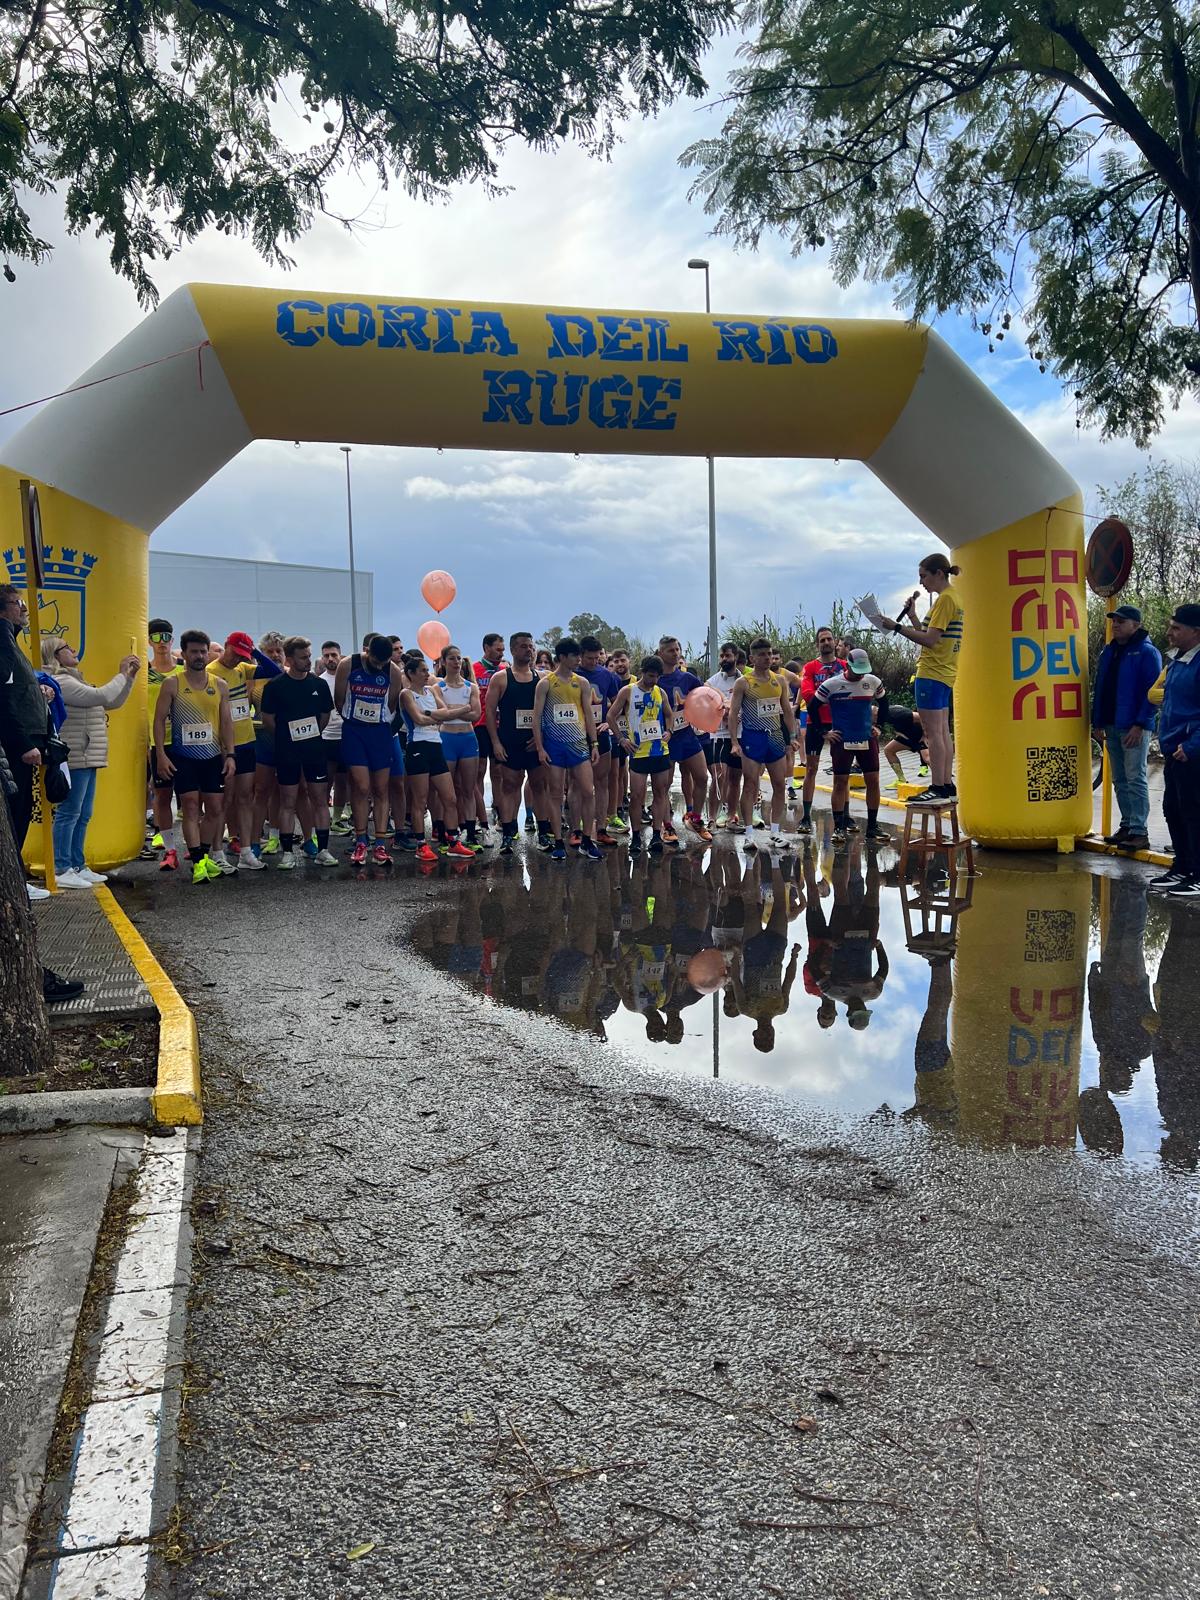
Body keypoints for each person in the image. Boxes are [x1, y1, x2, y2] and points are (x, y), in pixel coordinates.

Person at [42, 636, 140, 888]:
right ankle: (62, 867)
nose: (73, 650)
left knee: (83, 814)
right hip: (76, 754)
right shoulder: (62, 681)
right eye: (67, 647)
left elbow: (111, 701)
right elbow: (101, 695)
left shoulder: (74, 679)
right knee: (69, 812)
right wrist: (121, 673)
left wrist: (128, 678)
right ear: (55, 655)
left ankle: (77, 864)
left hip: (87, 754)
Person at [878, 554, 964, 805]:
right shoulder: (952, 597)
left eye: (924, 576)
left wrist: (897, 627)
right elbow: (929, 634)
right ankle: (946, 784)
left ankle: (937, 786)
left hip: (932, 672)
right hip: (944, 672)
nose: (921, 582)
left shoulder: (945, 600)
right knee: (942, 732)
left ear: (939, 573)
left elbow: (930, 640)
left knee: (933, 733)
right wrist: (913, 616)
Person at [153, 629, 237, 883]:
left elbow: (226, 722)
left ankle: (203, 855)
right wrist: (161, 755)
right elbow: (159, 720)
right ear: (185, 653)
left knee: (215, 808)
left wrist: (230, 755)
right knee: (190, 806)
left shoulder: (219, 685)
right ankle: (199, 863)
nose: (199, 656)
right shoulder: (173, 684)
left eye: (202, 651)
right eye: (194, 652)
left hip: (212, 756)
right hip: (183, 755)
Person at [259, 636, 338, 869]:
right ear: (290, 659)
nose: (308, 661)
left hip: (314, 749)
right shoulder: (275, 686)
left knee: (319, 798)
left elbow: (325, 715)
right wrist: (287, 737)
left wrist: (311, 735)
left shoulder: (319, 685)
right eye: (303, 657)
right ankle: (287, 853)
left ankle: (323, 850)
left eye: (309, 656)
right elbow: (268, 720)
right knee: (288, 800)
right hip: (287, 751)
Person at [1090, 603, 1162, 852]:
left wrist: (1140, 725)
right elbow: (1101, 688)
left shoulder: (1147, 653)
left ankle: (1140, 831)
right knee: (1120, 779)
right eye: (1114, 621)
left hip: (1133, 727)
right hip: (1111, 724)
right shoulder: (1109, 651)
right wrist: (1098, 722)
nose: (1116, 625)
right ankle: (1127, 825)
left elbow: (1152, 694)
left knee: (1135, 777)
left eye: (1121, 621)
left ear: (1136, 625)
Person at [334, 633, 405, 867]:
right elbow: (338, 700)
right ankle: (361, 840)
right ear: (367, 652)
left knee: (381, 788)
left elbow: (392, 704)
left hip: (380, 731)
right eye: (375, 661)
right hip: (354, 730)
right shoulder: (349, 664)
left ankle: (381, 843)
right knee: (362, 786)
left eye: (383, 663)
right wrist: (355, 717)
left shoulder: (393, 671)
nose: (379, 666)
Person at [400, 653, 475, 861]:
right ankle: (421, 845)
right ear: (411, 674)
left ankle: (453, 842)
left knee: (450, 798)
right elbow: (418, 720)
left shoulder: (432, 690)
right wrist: (441, 714)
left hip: (436, 746)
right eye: (423, 671)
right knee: (420, 800)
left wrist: (430, 714)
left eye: (427, 670)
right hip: (417, 747)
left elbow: (446, 713)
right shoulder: (406, 694)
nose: (427, 674)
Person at [533, 637, 602, 861]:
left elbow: (589, 715)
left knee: (588, 791)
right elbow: (536, 718)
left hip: (579, 745)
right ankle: (558, 842)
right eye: (574, 656)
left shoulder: (582, 682)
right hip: (554, 747)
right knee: (555, 795)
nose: (578, 660)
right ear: (562, 657)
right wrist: (540, 748)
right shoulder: (546, 683)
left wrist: (594, 744)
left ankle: (587, 841)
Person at [729, 636, 798, 851]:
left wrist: (792, 738)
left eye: (769, 654)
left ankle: (775, 832)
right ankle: (749, 834)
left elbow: (787, 711)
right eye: (762, 655)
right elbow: (733, 713)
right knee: (750, 784)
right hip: (753, 737)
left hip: (775, 737)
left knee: (779, 784)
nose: (767, 658)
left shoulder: (780, 680)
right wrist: (734, 742)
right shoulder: (744, 683)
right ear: (752, 658)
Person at [1151, 603, 1200, 899]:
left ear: (1196, 632)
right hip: (1173, 749)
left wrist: (1192, 745)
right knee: (1173, 809)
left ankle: (1197, 874)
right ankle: (1183, 867)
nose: (1169, 633)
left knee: (1194, 812)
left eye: (1176, 628)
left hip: (1191, 751)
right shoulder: (1178, 660)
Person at [815, 648, 887, 843]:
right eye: (857, 671)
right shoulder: (832, 684)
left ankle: (872, 826)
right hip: (842, 739)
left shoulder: (872, 681)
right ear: (847, 665)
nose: (860, 675)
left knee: (873, 781)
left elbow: (884, 703)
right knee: (840, 782)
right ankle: (839, 828)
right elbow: (813, 706)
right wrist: (824, 732)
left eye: (863, 671)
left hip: (866, 738)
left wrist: (879, 726)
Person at [207, 630, 264, 868]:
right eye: (235, 652)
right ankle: (217, 852)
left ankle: (246, 852)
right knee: (223, 800)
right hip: (222, 744)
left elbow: (273, 671)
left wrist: (255, 652)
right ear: (226, 646)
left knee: (245, 797)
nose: (237, 658)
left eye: (242, 655)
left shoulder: (242, 668)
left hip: (246, 740)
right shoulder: (210, 671)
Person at [609, 655, 675, 854]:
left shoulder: (660, 692)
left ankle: (656, 835)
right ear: (643, 672)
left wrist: (669, 731)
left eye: (657, 677)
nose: (654, 680)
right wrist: (621, 739)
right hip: (638, 752)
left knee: (660, 793)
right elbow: (610, 716)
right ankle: (636, 836)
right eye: (650, 676)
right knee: (637, 796)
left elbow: (669, 714)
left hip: (659, 750)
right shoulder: (628, 691)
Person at [485, 631, 544, 855]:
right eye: (523, 646)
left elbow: (547, 712)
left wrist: (540, 739)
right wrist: (496, 743)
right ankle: (508, 833)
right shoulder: (501, 678)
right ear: (512, 650)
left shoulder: (541, 678)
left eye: (531, 646)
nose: (528, 650)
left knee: (539, 785)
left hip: (534, 742)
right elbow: (489, 712)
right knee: (510, 786)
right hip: (510, 740)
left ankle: (544, 832)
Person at [656, 636, 713, 843]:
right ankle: (667, 826)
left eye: (677, 649)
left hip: (687, 736)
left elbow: (706, 696)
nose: (675, 653)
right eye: (670, 650)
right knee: (664, 785)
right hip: (664, 739)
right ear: (660, 653)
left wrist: (719, 706)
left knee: (702, 778)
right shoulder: (655, 680)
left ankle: (695, 818)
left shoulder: (688, 678)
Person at [798, 628, 848, 833]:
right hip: (815, 722)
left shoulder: (845, 666)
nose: (826, 643)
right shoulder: (810, 667)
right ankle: (806, 816)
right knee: (811, 769)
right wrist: (831, 698)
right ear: (817, 644)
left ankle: (845, 817)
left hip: (840, 722)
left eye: (829, 639)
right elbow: (808, 694)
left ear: (835, 642)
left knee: (842, 771)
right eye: (822, 640)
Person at [577, 637, 623, 847]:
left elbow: (618, 704)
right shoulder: (573, 674)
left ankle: (601, 828)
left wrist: (608, 721)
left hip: (601, 734)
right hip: (577, 735)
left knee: (602, 781)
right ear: (580, 656)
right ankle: (579, 828)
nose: (594, 661)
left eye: (597, 658)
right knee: (577, 783)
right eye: (589, 658)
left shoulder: (607, 676)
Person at [437, 645, 484, 849]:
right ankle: (446, 833)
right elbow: (441, 713)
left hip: (467, 739)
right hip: (447, 739)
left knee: (468, 789)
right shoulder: (438, 687)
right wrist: (463, 709)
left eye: (459, 658)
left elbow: (476, 714)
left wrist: (453, 711)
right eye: (452, 658)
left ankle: (471, 834)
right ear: (443, 662)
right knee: (446, 791)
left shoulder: (471, 687)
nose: (456, 662)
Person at [145, 619, 180, 868]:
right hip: (156, 740)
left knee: (192, 797)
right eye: (156, 638)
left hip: (185, 741)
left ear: (172, 639)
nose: (161, 643)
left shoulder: (183, 670)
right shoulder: (144, 672)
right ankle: (166, 843)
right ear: (149, 641)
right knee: (161, 794)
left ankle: (197, 847)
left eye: (166, 637)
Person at [472, 633, 507, 841]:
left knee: (498, 772)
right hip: (479, 726)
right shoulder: (474, 669)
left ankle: (501, 814)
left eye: (503, 650)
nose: (501, 653)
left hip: (501, 726)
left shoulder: (505, 671)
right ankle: (479, 816)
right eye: (497, 649)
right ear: (486, 648)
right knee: (478, 771)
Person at [705, 641, 744, 829]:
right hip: (719, 735)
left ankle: (731, 817)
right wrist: (722, 707)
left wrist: (736, 714)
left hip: (740, 734)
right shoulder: (713, 681)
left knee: (735, 778)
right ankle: (712, 818)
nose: (724, 659)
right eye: (721, 656)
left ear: (735, 657)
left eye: (727, 656)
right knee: (719, 777)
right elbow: (705, 696)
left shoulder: (744, 680)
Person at [317, 640, 350, 834]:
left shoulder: (349, 678)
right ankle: (323, 818)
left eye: (334, 655)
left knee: (343, 781)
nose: (330, 659)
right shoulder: (320, 681)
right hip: (327, 737)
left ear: (340, 656)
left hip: (346, 736)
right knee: (326, 780)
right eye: (326, 655)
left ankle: (337, 818)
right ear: (322, 658)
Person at [881, 703, 930, 791]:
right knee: (888, 750)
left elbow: (920, 717)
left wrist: (925, 736)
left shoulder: (895, 713)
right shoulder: (880, 717)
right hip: (907, 737)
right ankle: (901, 779)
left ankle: (942, 783)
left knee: (927, 759)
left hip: (919, 735)